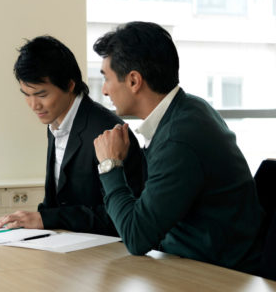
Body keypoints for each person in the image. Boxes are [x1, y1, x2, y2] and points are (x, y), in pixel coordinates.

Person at [92, 22, 264, 273]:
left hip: (217, 275)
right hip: (192, 262)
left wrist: (110, 165)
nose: (105, 90)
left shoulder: (178, 138)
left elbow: (137, 238)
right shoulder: (190, 108)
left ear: (133, 81)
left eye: (106, 78)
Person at [0, 36, 145, 235]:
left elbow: (119, 214)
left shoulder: (107, 130)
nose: (33, 105)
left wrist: (45, 219)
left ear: (69, 85)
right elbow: (55, 202)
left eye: (41, 95)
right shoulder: (55, 122)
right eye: (26, 95)